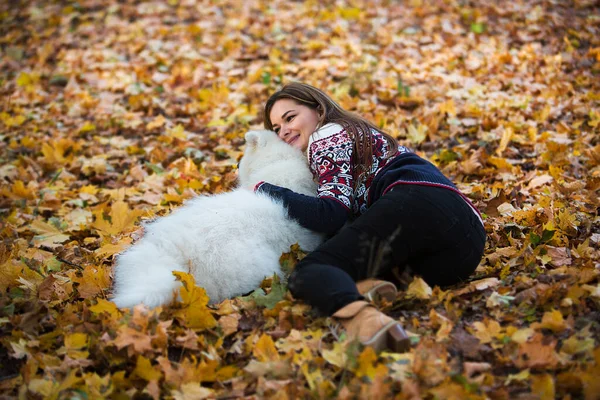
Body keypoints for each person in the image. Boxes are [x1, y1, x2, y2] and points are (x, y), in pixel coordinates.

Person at [254, 82, 486, 352]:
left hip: (417, 200)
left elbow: (330, 214)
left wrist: (264, 189)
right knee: (349, 262)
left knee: (308, 273)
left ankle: (368, 323)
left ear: (319, 110)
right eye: (276, 129)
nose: (284, 132)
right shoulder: (359, 132)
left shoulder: (326, 135)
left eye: (290, 118)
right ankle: (369, 287)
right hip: (463, 248)